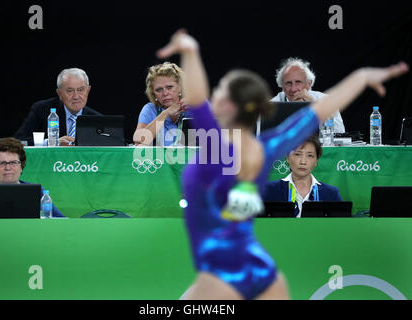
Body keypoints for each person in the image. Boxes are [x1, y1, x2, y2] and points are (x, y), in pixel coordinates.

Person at [157, 29, 408, 300]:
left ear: (227, 107)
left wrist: (190, 51)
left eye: (219, 93)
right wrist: (362, 77)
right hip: (263, 271)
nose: (213, 96)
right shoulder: (267, 147)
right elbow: (322, 109)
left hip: (221, 273)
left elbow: (195, 96)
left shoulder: (216, 144)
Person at [0, 137, 65, 218]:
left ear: (21, 167)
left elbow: (60, 220)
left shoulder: (37, 192)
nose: (8, 168)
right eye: (2, 163)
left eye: (13, 162)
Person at [14, 68, 102, 146]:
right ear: (59, 93)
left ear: (88, 90)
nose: (76, 96)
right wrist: (51, 142)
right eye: (70, 91)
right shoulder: (41, 110)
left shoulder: (97, 119)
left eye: (80, 90)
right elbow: (19, 141)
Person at [264, 135, 342, 217]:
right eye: (297, 154)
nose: (303, 162)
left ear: (316, 161)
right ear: (287, 157)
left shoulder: (331, 194)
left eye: (310, 155)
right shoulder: (269, 191)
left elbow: (342, 226)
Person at [271, 57, 345, 133]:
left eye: (298, 82)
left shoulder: (325, 100)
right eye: (288, 83)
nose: (293, 89)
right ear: (282, 86)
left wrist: (314, 107)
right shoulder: (272, 105)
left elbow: (339, 132)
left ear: (308, 84)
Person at [133, 62, 188, 146]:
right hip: (162, 159)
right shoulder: (150, 109)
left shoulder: (195, 105)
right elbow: (138, 141)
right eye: (159, 90)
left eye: (169, 87)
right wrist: (165, 113)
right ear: (153, 93)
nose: (165, 93)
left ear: (180, 87)